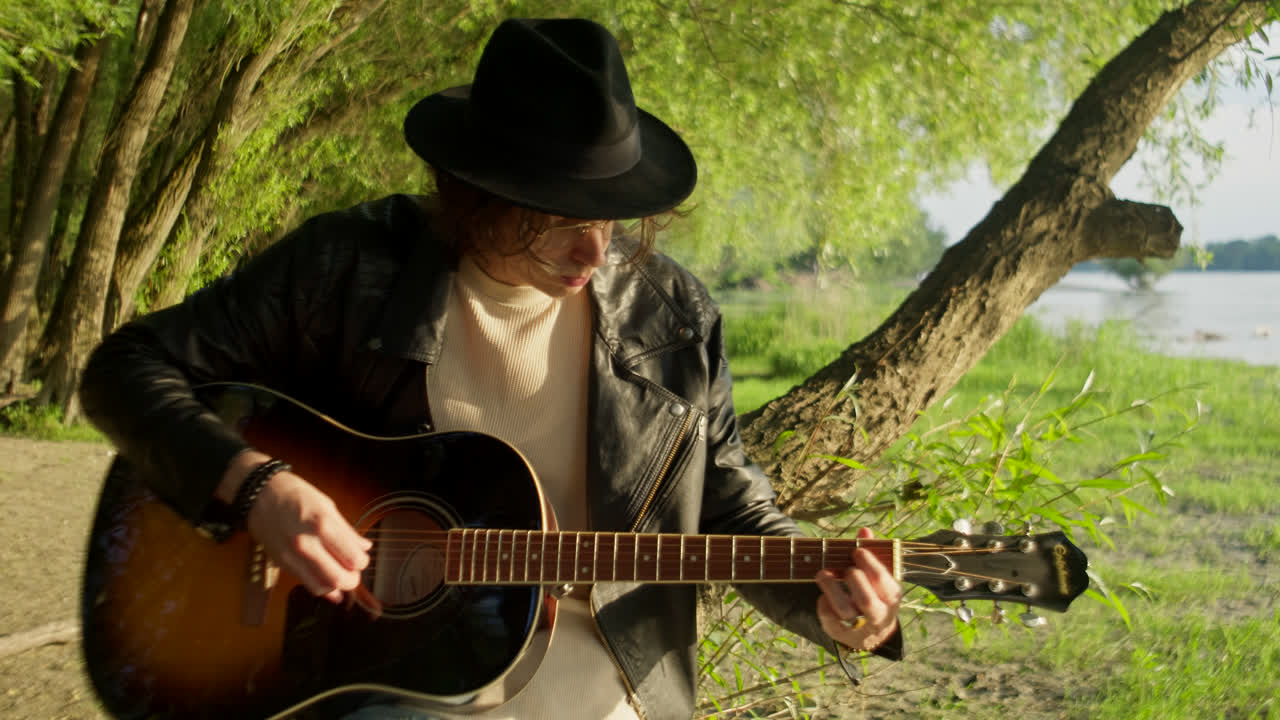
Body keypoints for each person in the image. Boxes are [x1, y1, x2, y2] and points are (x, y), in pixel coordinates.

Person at [80, 17, 902, 720]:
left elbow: (732, 509)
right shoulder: (346, 269)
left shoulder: (669, 317)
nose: (595, 251)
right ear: (477, 193)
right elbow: (125, 369)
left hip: (605, 690)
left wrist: (834, 608)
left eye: (614, 220)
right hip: (372, 680)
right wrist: (254, 486)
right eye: (558, 219)